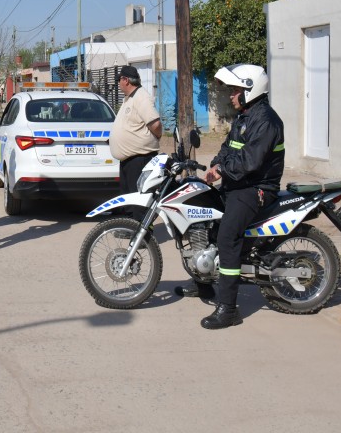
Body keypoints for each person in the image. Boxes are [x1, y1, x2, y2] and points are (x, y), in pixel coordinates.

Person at [178, 64, 284, 330]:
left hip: (256, 188)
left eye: (237, 90)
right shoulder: (244, 117)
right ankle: (204, 285)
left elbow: (250, 161)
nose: (231, 95)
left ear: (251, 90)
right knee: (203, 219)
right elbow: (228, 148)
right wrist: (215, 165)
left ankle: (228, 309)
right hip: (237, 184)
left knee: (227, 237)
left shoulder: (267, 121)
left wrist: (223, 170)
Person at [108, 65, 163, 219]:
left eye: (119, 79)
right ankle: (132, 230)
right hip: (129, 159)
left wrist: (156, 137)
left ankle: (143, 235)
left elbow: (156, 124)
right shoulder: (129, 98)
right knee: (129, 199)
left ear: (126, 80)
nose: (119, 83)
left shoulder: (141, 97)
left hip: (140, 158)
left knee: (139, 199)